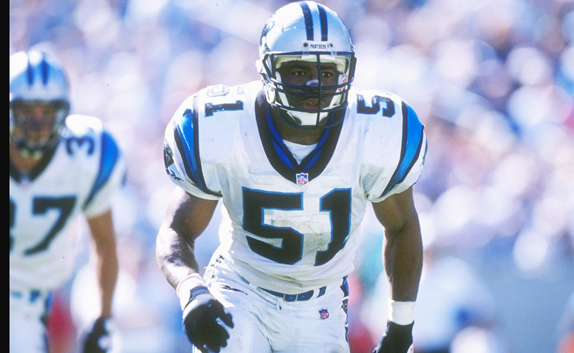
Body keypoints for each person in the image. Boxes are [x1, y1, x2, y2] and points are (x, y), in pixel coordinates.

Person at [156, 2, 428, 352]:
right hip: (242, 288)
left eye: (328, 72)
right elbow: (177, 228)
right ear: (268, 70)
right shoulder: (222, 126)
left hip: (321, 305)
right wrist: (191, 289)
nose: (315, 85)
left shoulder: (375, 130)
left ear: (348, 72)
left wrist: (401, 324)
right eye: (298, 71)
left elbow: (403, 225)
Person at [9, 49, 126, 353]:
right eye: (27, 111)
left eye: (46, 113)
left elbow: (104, 242)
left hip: (26, 302)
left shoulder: (86, 155)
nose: (37, 124)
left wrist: (103, 319)